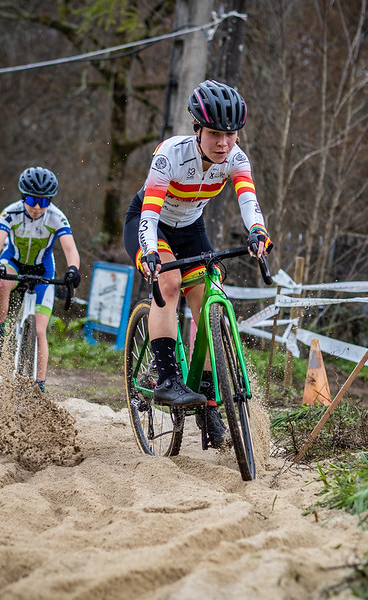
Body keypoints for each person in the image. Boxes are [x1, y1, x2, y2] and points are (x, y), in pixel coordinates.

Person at [123, 80, 273, 448]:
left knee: (208, 296)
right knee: (170, 284)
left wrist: (258, 232)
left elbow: (248, 200)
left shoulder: (236, 159)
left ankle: (208, 401)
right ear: (198, 129)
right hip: (150, 223)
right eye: (215, 134)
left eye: (231, 134)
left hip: (191, 227)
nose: (224, 143)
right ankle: (167, 376)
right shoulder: (170, 154)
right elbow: (150, 213)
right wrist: (151, 254)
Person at [0, 166, 81, 393]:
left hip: (43, 270)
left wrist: (73, 269)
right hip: (14, 262)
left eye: (44, 201)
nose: (37, 207)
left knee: (39, 331)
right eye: (31, 200)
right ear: (22, 197)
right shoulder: (11, 212)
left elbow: (70, 248)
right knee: (4, 281)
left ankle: (39, 385)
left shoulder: (56, 217)